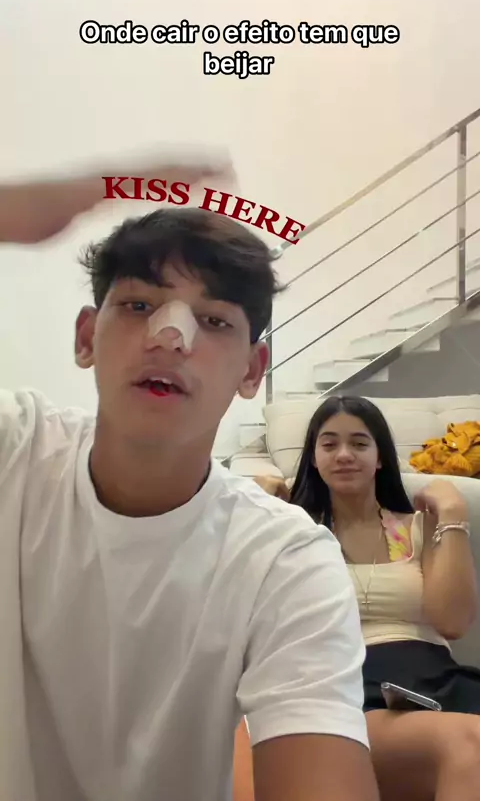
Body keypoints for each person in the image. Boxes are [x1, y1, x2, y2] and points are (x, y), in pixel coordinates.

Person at [0, 160, 380, 801]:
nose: (170, 338)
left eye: (215, 321)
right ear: (87, 337)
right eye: (139, 305)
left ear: (253, 369)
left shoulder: (285, 561)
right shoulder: (15, 449)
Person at [253, 395, 480, 801]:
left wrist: (452, 514)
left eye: (359, 443)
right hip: (354, 694)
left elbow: (452, 622)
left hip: (440, 683)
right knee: (470, 742)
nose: (344, 455)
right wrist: (260, 509)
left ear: (379, 458)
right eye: (329, 444)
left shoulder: (419, 527)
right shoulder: (295, 534)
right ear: (313, 459)